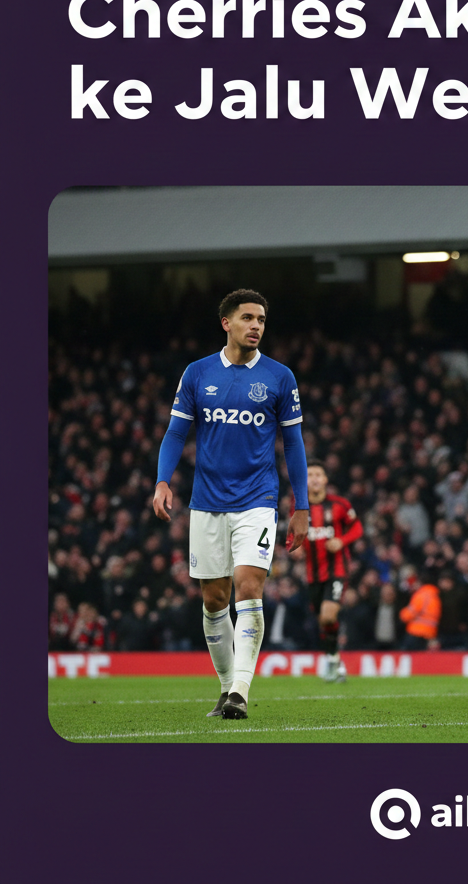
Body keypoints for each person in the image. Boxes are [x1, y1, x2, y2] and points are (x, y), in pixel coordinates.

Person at [153, 289, 309, 720]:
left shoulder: (280, 378)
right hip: (206, 502)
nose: (256, 325)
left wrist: (302, 504)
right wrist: (163, 481)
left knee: (249, 585)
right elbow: (175, 434)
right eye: (247, 318)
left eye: (261, 319)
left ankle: (241, 689)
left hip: (258, 499)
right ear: (227, 323)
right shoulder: (198, 373)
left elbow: (293, 444)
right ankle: (225, 689)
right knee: (213, 599)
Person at [291, 459, 363, 682]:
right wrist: (292, 548)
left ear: (325, 480)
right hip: (313, 575)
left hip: (337, 571)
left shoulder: (340, 505)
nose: (313, 478)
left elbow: (357, 527)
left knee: (328, 614)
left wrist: (341, 541)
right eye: (309, 474)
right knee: (323, 620)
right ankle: (334, 661)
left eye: (318, 474)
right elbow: (291, 535)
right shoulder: (299, 508)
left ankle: (333, 662)